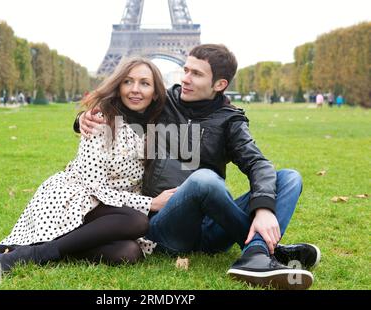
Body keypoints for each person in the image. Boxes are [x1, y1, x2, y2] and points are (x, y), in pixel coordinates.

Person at [77, 44, 321, 290]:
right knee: (204, 179)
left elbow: (257, 163)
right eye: (186, 70)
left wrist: (265, 209)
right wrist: (84, 119)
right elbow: (124, 103)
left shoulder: (230, 121)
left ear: (219, 84)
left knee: (290, 178)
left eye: (197, 74)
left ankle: (256, 253)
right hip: (165, 223)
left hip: (213, 228)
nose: (186, 79)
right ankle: (262, 250)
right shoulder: (163, 102)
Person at [0, 58, 174, 272]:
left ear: (156, 92)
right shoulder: (101, 120)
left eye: (144, 83)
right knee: (138, 221)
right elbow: (93, 187)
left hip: (114, 212)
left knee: (129, 252)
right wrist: (150, 204)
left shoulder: (158, 125)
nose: (135, 89)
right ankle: (37, 253)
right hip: (78, 199)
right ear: (118, 86)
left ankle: (50, 248)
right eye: (127, 82)